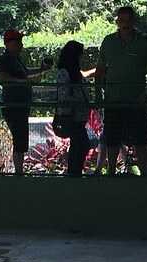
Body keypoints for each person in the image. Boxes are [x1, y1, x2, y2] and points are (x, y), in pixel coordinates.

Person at [96, 6, 147, 176]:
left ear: (134, 22)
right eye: (122, 20)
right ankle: (111, 171)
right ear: (117, 22)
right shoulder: (108, 42)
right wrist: (98, 95)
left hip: (136, 100)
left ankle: (144, 173)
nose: (125, 24)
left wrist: (145, 94)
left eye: (128, 20)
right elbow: (99, 70)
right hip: (113, 99)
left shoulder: (144, 43)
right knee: (112, 138)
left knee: (140, 138)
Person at [0, 29, 53, 176]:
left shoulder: (16, 59)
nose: (21, 45)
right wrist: (24, 81)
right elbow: (4, 78)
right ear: (9, 43)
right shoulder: (5, 60)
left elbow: (26, 73)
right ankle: (19, 172)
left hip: (20, 105)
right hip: (14, 105)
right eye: (18, 42)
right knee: (19, 139)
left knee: (21, 139)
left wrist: (41, 70)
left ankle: (19, 171)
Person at [55, 41, 92, 177]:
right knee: (82, 143)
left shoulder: (74, 72)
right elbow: (63, 93)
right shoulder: (65, 73)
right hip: (71, 115)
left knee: (79, 143)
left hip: (78, 115)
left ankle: (75, 171)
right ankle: (74, 171)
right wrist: (79, 102)